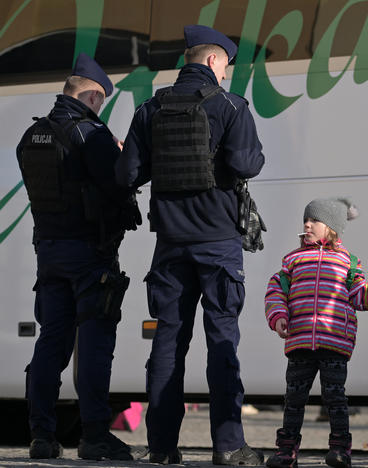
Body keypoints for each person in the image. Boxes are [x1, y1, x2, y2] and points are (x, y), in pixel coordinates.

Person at [115, 25, 265, 465]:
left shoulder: (150, 108)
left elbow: (126, 176)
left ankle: (161, 447)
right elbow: (244, 164)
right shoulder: (231, 106)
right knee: (222, 344)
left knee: (167, 344)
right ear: (215, 62)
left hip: (170, 246)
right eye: (226, 67)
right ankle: (228, 446)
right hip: (218, 243)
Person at [16, 53, 142, 460]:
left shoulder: (30, 136)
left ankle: (41, 435)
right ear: (90, 96)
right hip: (90, 254)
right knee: (93, 343)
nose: (100, 108)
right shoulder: (91, 134)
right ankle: (94, 436)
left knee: (51, 341)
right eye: (100, 101)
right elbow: (117, 184)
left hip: (49, 253)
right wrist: (122, 154)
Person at [263, 197, 368, 468]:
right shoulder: (292, 260)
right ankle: (286, 451)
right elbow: (276, 291)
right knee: (293, 399)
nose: (307, 224)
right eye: (305, 219)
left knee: (335, 398)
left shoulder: (348, 262)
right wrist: (278, 316)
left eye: (314, 220)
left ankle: (340, 449)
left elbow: (361, 297)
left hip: (334, 343)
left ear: (332, 228)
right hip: (300, 342)